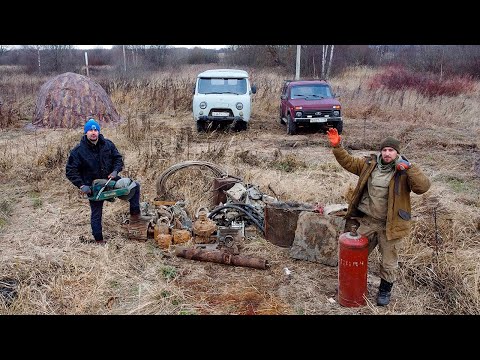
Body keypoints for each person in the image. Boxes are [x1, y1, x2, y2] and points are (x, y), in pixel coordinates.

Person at [326, 128, 431, 306]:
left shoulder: (404, 170)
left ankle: (384, 291)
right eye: (384, 150)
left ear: (397, 153)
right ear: (380, 151)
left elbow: (423, 187)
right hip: (368, 221)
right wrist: (337, 146)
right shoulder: (370, 165)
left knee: (389, 263)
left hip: (391, 225)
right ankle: (352, 285)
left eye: (391, 150)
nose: (387, 153)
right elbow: (349, 162)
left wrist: (410, 168)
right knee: (354, 256)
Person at [66, 118, 141, 244]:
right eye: (90, 130)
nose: (93, 132)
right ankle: (99, 240)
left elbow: (118, 159)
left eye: (95, 129)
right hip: (93, 187)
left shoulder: (108, 144)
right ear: (86, 133)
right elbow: (70, 171)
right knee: (96, 213)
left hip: (111, 181)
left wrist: (115, 171)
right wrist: (82, 185)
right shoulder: (78, 151)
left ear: (99, 131)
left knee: (134, 186)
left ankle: (135, 217)